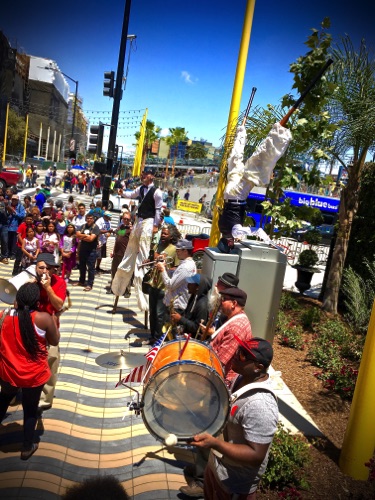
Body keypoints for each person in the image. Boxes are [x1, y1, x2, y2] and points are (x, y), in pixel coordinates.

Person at [183, 337, 278, 499]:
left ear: (258, 367)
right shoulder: (241, 379)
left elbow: (256, 455)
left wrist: (215, 443)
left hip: (233, 484)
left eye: (242, 355)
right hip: (217, 468)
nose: (235, 354)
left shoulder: (260, 403)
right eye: (238, 349)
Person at [0, 282, 59, 460]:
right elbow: (54, 341)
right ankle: (26, 447)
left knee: (3, 401)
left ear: (17, 300)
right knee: (30, 409)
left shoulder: (3, 315)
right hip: (34, 374)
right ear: (37, 303)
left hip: (8, 372)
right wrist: (54, 322)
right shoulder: (44, 318)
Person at [218, 123, 292, 240]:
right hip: (229, 194)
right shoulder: (222, 228)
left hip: (237, 196)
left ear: (229, 242)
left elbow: (256, 230)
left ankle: (278, 133)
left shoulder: (234, 233)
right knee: (234, 160)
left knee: (257, 165)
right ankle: (241, 132)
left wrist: (268, 240)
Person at [112, 171, 163, 311]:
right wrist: (122, 193)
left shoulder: (157, 192)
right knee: (132, 246)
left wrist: (156, 225)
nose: (141, 178)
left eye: (144, 176)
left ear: (151, 177)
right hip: (140, 220)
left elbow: (158, 210)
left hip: (149, 220)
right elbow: (131, 194)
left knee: (144, 248)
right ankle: (124, 279)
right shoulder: (140, 188)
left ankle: (141, 273)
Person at [35, 253, 67, 411]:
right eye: (41, 267)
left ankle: (45, 399)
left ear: (54, 270)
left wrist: (47, 288)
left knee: (51, 361)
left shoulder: (59, 282)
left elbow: (59, 305)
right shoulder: (31, 281)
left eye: (48, 268)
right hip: (32, 329)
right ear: (36, 268)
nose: (45, 271)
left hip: (50, 332)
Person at [147, 224, 180, 344]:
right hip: (154, 283)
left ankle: (158, 338)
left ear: (171, 236)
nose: (163, 236)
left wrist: (166, 267)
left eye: (165, 234)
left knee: (159, 314)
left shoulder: (174, 249)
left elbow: (176, 268)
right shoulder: (158, 246)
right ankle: (152, 336)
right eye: (162, 233)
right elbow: (152, 259)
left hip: (164, 286)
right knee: (152, 312)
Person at [155, 238, 196, 320]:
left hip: (176, 308)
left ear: (185, 251)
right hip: (174, 306)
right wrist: (166, 268)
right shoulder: (186, 264)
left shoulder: (185, 267)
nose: (176, 253)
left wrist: (162, 270)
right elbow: (175, 278)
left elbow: (170, 285)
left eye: (178, 251)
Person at [74, 214, 100, 291]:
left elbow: (91, 239)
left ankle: (89, 284)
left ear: (93, 219)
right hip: (82, 249)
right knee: (82, 267)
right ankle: (81, 281)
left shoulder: (95, 227)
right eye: (87, 218)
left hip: (91, 251)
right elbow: (77, 235)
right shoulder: (83, 226)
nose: (89, 220)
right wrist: (86, 236)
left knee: (91, 268)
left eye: (90, 218)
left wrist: (82, 236)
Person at [108, 211, 132, 295]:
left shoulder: (131, 230)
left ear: (130, 220)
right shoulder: (120, 227)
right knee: (114, 271)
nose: (125, 220)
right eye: (124, 218)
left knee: (125, 272)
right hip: (117, 253)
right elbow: (117, 239)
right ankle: (114, 288)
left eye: (127, 219)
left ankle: (127, 290)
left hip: (125, 255)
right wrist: (113, 251)